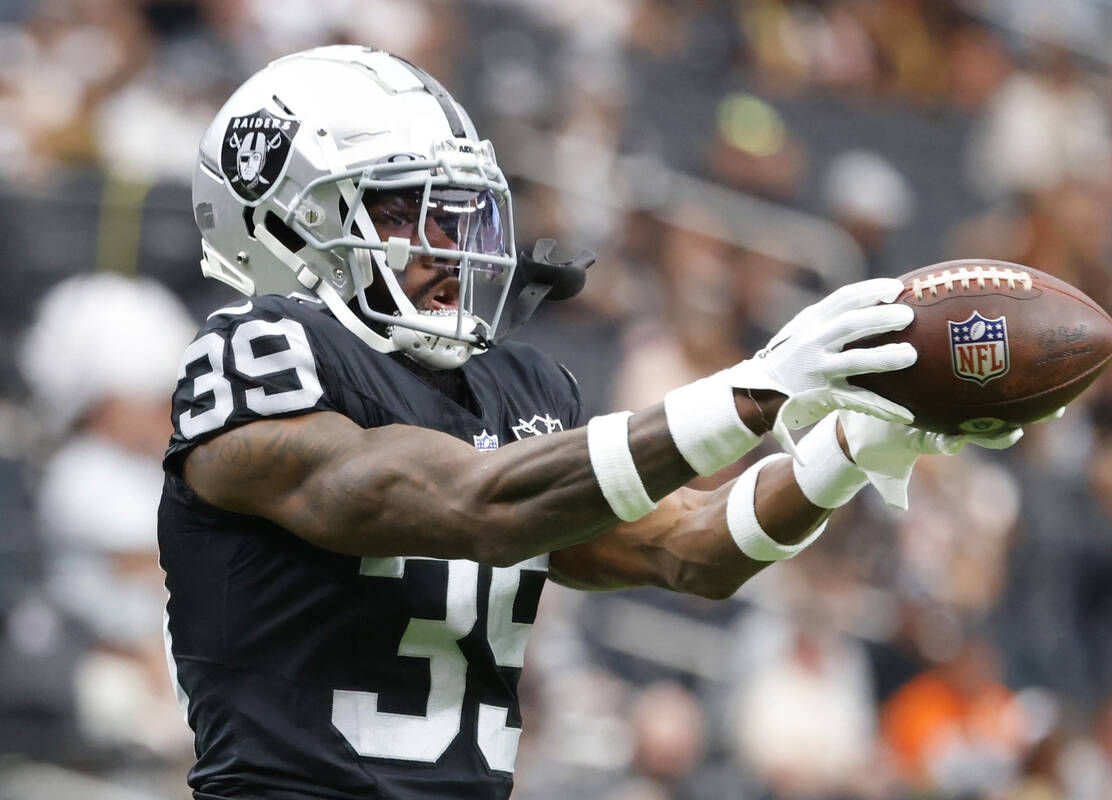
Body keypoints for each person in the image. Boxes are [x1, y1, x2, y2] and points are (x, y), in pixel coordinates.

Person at [159, 45, 1020, 800]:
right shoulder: (261, 355)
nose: (445, 239)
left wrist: (850, 446)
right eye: (399, 210)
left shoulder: (514, 385)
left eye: (452, 209)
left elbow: (692, 548)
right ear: (283, 226)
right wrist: (756, 391)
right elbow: (467, 501)